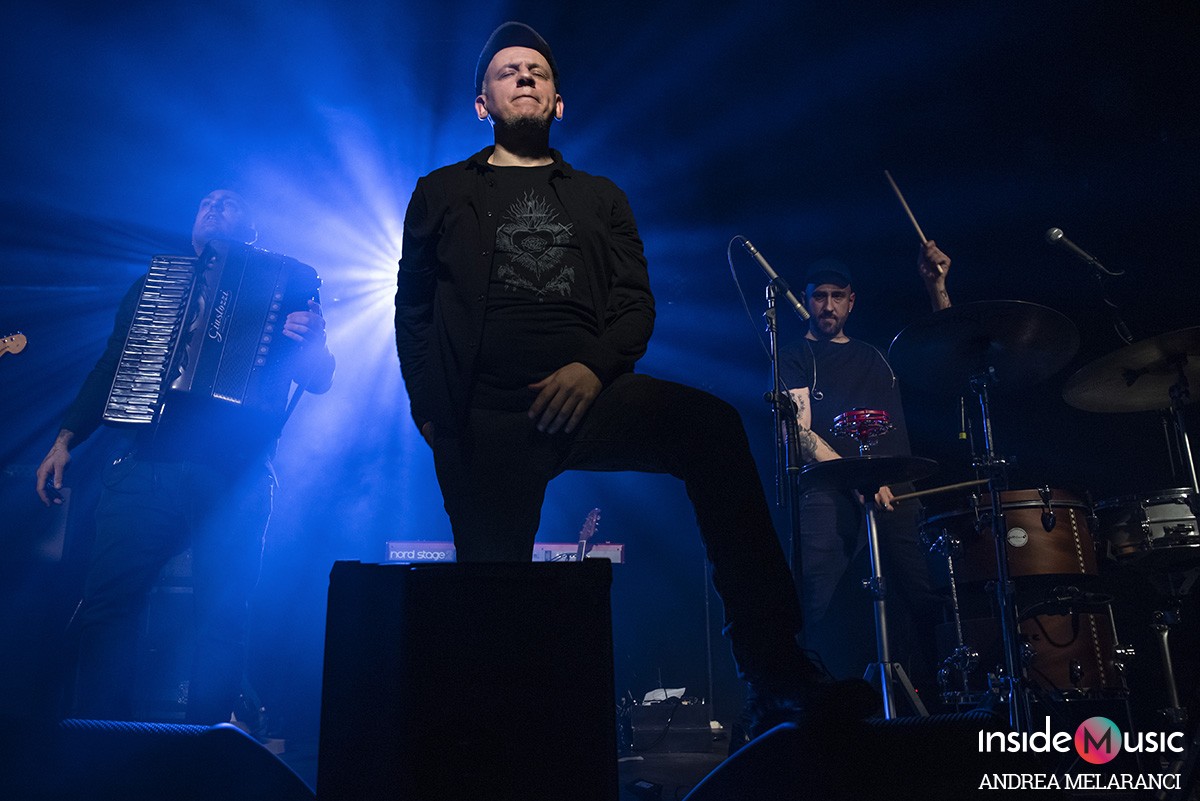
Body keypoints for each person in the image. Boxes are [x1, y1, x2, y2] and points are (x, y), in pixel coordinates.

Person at [394, 21, 874, 736]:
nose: (524, 76)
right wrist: (431, 408)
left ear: (559, 103)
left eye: (537, 71)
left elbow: (634, 305)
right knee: (492, 599)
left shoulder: (601, 198)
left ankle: (776, 670)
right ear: (481, 103)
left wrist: (593, 368)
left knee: (712, 428)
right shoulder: (439, 192)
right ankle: (496, 742)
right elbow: (413, 307)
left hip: (590, 399)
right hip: (484, 415)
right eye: (507, 70)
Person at [34, 189, 335, 724]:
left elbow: (317, 379)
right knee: (109, 607)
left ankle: (207, 749)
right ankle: (103, 741)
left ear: (252, 227)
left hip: (235, 473)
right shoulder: (154, 284)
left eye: (229, 203)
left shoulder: (291, 281)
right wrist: (65, 439)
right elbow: (111, 365)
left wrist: (314, 345)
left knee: (222, 617)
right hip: (145, 464)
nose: (213, 207)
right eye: (205, 203)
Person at [779, 241, 951, 689]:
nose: (828, 305)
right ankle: (808, 701)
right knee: (814, 601)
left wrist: (936, 288)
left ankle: (945, 697)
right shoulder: (795, 355)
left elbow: (946, 350)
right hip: (829, 489)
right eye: (819, 296)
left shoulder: (876, 353)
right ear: (806, 300)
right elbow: (799, 434)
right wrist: (858, 477)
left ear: (851, 302)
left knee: (926, 594)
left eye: (837, 296)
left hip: (894, 489)